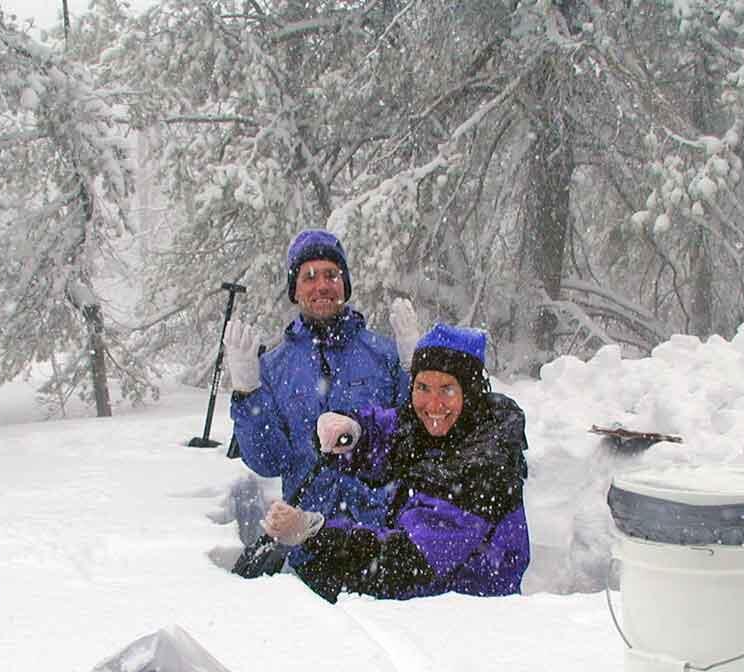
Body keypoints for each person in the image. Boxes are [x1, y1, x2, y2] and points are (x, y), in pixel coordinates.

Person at [261, 322, 530, 602]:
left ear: (471, 392)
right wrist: (352, 430)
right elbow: (390, 431)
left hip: (465, 613)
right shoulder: (440, 427)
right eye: (423, 387)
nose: (433, 404)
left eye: (447, 389)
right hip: (425, 600)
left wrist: (315, 530)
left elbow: (409, 562)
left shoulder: (483, 463)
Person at [224, 229, 416, 567]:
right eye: (309, 276)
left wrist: (414, 371)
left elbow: (414, 438)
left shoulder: (383, 355)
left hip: (382, 543)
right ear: (295, 289)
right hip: (308, 546)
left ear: (344, 284)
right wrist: (247, 393)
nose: (322, 285)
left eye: (331, 275)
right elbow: (268, 461)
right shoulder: (274, 367)